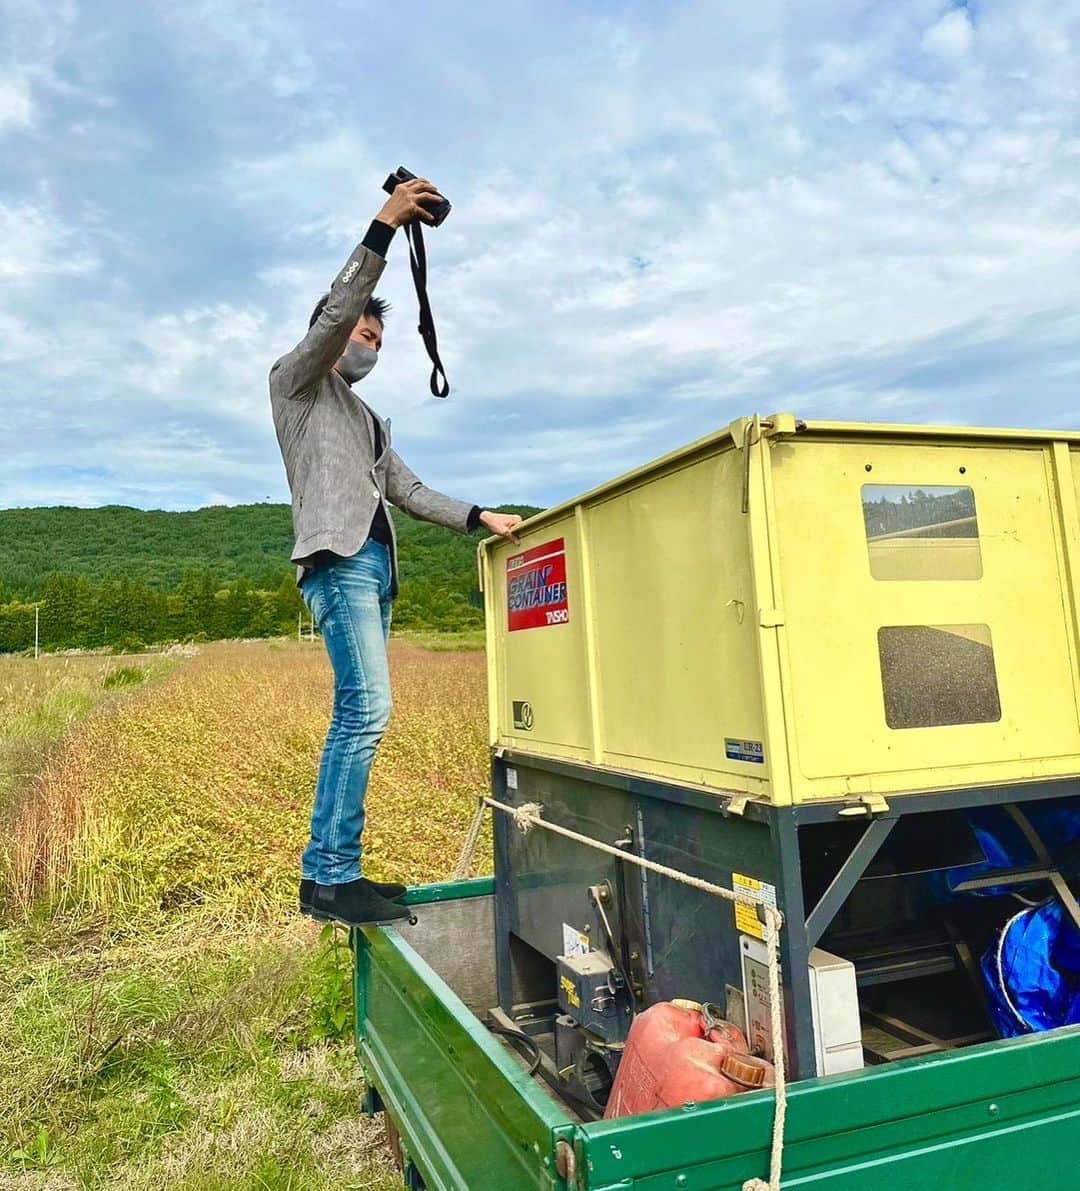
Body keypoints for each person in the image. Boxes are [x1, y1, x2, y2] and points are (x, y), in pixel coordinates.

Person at [269, 175, 523, 928]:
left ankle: (334, 873)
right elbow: (342, 305)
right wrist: (384, 225)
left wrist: (480, 515)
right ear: (329, 331)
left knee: (366, 711)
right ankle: (328, 876)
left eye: (378, 340)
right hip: (337, 561)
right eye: (359, 333)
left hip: (376, 572)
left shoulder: (372, 420)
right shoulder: (297, 383)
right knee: (366, 709)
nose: (367, 343)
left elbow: (410, 492)